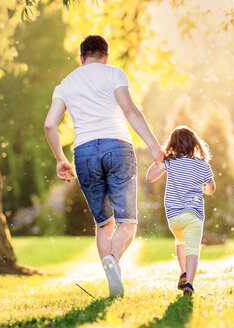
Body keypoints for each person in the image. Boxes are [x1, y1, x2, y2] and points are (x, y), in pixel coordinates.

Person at [44, 34, 163, 297]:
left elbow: (49, 124)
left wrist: (60, 159)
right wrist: (155, 146)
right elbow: (130, 110)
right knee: (127, 222)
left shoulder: (65, 84)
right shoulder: (114, 74)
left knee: (103, 224)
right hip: (117, 147)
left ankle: (112, 282)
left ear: (81, 57)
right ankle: (113, 259)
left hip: (83, 152)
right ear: (106, 56)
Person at [146, 125, 216, 296]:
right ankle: (189, 283)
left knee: (180, 241)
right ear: (195, 144)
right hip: (194, 215)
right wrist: (205, 190)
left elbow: (149, 176)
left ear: (172, 144)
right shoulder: (202, 165)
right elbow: (212, 187)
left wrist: (160, 159)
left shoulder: (170, 162)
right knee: (192, 249)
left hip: (174, 217)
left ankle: (183, 272)